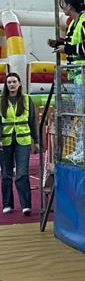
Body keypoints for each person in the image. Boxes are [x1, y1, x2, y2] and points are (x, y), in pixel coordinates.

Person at [47, 0, 85, 165]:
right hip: (81, 76)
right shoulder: (74, 24)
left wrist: (67, 49)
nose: (62, 8)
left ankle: (83, 151)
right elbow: (74, 44)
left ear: (69, 6)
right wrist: (60, 44)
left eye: (63, 5)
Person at [0, 72, 40, 215]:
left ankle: (26, 205)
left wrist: (36, 141)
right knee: (6, 174)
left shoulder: (27, 99)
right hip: (4, 141)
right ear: (6, 85)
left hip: (23, 141)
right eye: (9, 82)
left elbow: (32, 121)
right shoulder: (1, 100)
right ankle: (7, 204)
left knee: (22, 173)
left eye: (14, 82)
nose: (11, 84)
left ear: (19, 83)